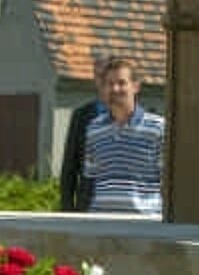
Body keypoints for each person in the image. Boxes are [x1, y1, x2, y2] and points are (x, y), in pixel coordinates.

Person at [83, 57, 166, 216]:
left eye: (121, 83)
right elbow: (90, 179)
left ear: (136, 86)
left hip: (143, 222)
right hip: (101, 221)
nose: (115, 89)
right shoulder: (94, 129)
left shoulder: (158, 128)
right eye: (110, 84)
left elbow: (168, 183)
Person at [58, 56, 108, 212]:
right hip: (87, 205)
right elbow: (69, 167)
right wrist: (67, 209)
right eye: (99, 75)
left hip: (122, 207)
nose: (103, 80)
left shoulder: (131, 116)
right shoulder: (81, 116)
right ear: (94, 78)